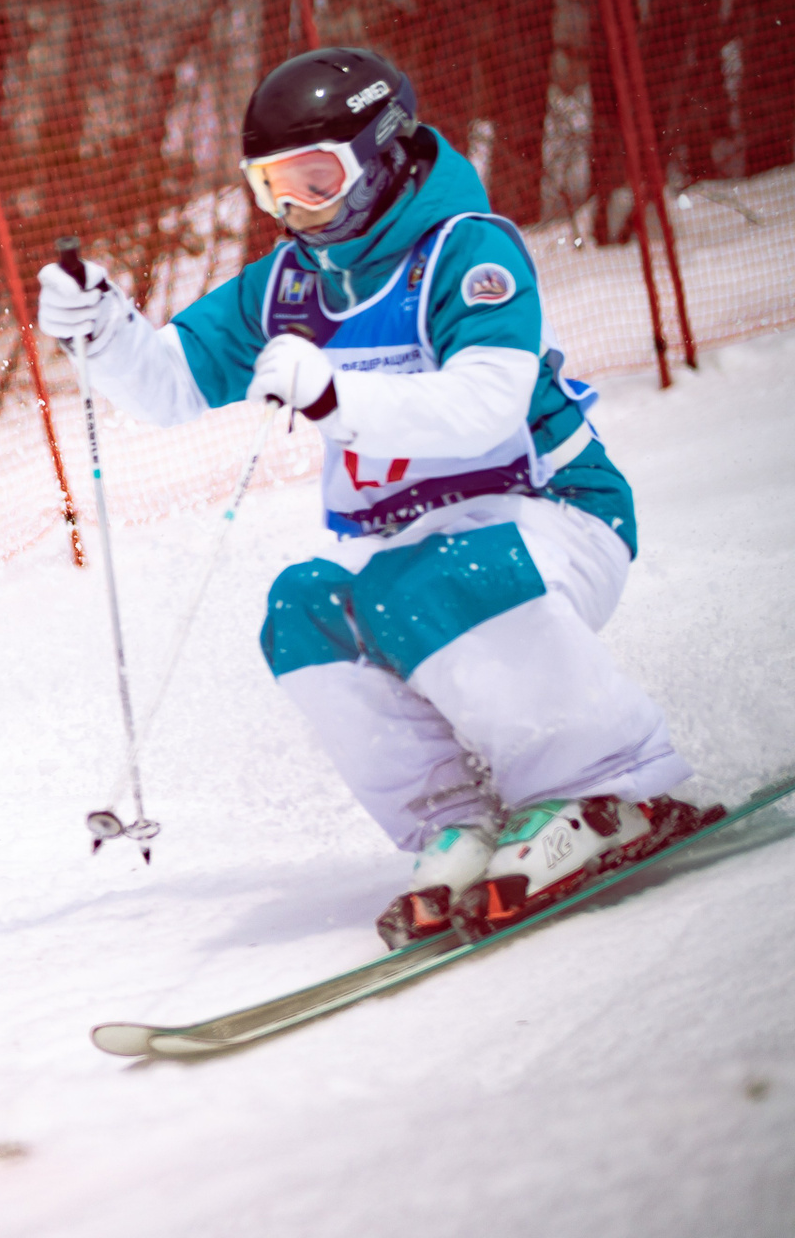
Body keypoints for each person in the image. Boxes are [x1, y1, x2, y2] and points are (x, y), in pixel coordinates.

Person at [37, 48, 705, 949]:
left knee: (427, 578)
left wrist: (334, 396)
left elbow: (486, 403)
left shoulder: (465, 250)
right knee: (306, 609)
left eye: (316, 180)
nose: (295, 209)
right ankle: (455, 824)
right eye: (271, 187)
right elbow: (171, 385)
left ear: (383, 154)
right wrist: (105, 331)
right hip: (417, 557)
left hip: (554, 517)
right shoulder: (292, 282)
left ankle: (609, 786)